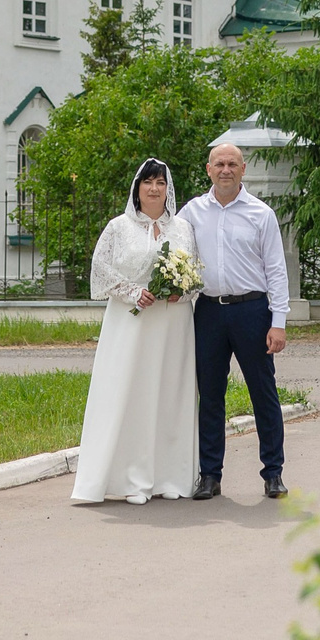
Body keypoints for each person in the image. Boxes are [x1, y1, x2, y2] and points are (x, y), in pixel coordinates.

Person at [72, 158, 199, 504]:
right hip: (131, 321)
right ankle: (131, 480)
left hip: (173, 322)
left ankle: (170, 476)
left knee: (170, 393)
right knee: (131, 393)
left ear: (168, 189)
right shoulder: (118, 227)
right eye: (148, 183)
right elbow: (100, 271)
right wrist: (132, 291)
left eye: (160, 183)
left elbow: (196, 274)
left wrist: (182, 290)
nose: (154, 189)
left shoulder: (183, 228)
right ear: (137, 188)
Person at [181, 142, 288, 500]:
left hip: (252, 312)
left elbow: (276, 270)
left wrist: (279, 321)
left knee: (263, 394)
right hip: (208, 312)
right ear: (208, 170)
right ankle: (210, 475)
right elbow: (174, 256)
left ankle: (273, 473)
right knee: (210, 395)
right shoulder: (191, 213)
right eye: (219, 164)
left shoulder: (261, 214)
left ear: (243, 170)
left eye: (232, 164)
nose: (225, 169)